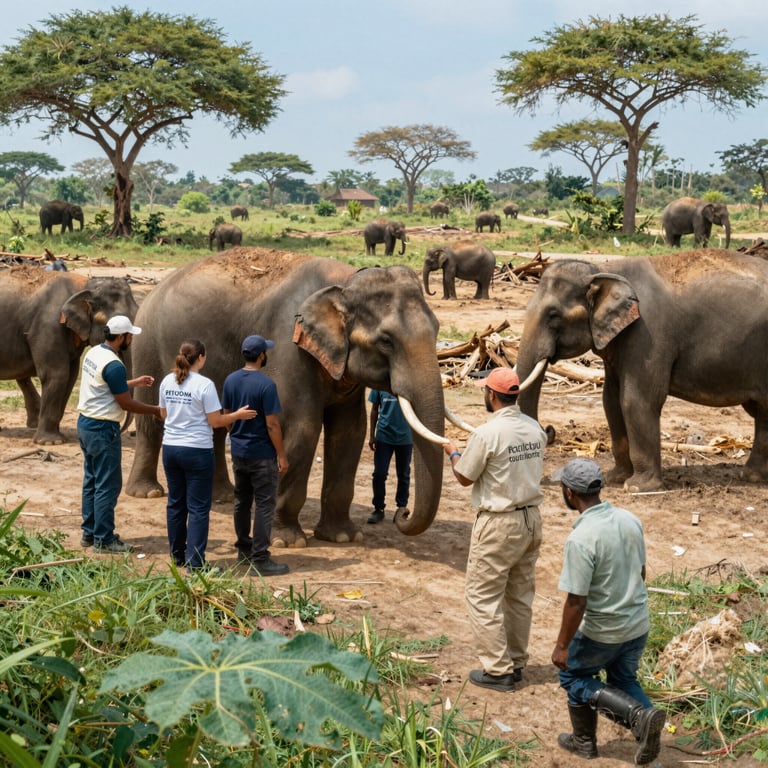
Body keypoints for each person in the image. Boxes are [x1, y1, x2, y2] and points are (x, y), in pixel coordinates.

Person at [551, 458, 665, 765]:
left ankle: (594, 737)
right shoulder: (629, 519)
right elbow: (640, 572)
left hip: (603, 632)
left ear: (569, 493)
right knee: (623, 679)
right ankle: (646, 727)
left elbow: (577, 601)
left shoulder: (581, 539)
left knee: (574, 677)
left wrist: (562, 646)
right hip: (637, 624)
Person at [443, 367, 546, 693]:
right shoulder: (534, 428)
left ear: (491, 395)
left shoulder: (487, 434)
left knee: (482, 596)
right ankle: (515, 663)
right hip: (531, 519)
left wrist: (453, 452)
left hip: (499, 523)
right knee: (519, 596)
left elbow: (464, 476)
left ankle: (498, 670)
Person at [158, 339, 257, 573]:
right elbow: (215, 421)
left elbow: (163, 414)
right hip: (197, 450)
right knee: (199, 508)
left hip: (170, 448)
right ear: (201, 357)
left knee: (175, 504)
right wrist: (237, 415)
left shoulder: (166, 381)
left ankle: (177, 556)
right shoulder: (205, 385)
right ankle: (195, 562)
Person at [77, 315, 162, 553]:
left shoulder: (94, 353)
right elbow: (126, 404)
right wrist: (155, 410)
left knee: (92, 481)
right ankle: (104, 539)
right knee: (108, 485)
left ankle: (89, 533)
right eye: (130, 335)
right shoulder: (114, 365)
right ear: (122, 337)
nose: (132, 339)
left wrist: (133, 382)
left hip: (85, 424)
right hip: (103, 429)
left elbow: (104, 384)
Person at [222, 334, 289, 576]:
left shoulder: (230, 380)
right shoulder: (266, 385)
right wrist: (281, 455)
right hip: (262, 454)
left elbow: (227, 414)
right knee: (264, 504)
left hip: (239, 452)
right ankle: (260, 557)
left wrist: (238, 434)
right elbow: (272, 424)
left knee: (242, 501)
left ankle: (243, 549)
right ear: (262, 355)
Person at [366, 389, 413, 524]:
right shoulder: (379, 384)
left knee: (403, 474)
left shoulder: (409, 384)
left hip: (405, 438)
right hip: (383, 436)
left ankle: (401, 508)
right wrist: (371, 436)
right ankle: (378, 508)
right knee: (379, 474)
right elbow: (374, 410)